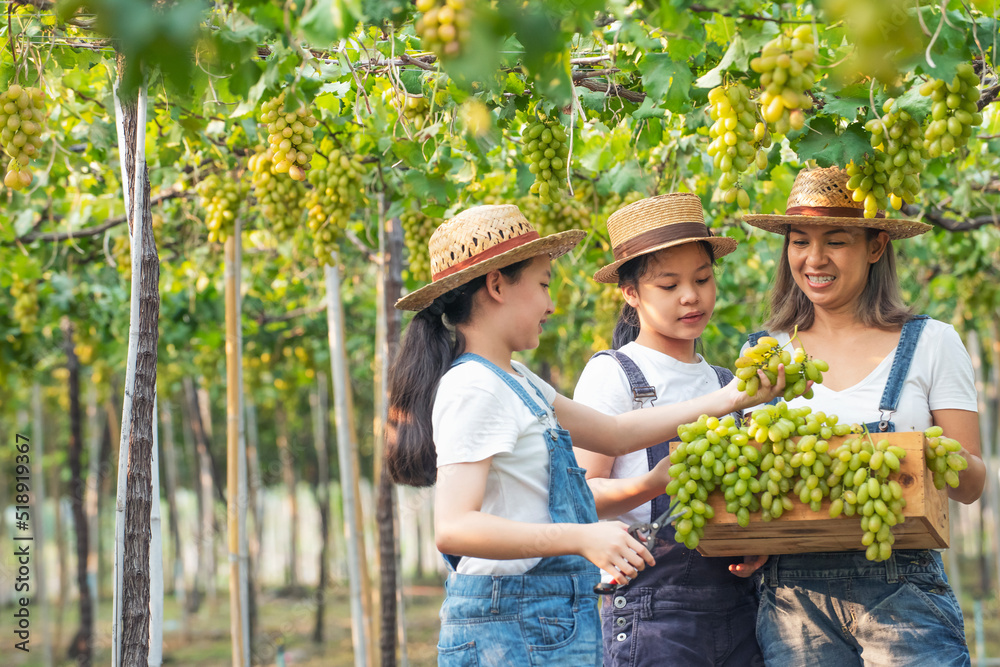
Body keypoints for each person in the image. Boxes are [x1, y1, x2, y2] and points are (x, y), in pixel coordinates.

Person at [385, 204, 786, 666]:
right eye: (543, 285)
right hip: (507, 622)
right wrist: (581, 537)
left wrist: (728, 401)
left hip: (548, 615)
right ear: (497, 285)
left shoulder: (517, 379)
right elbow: (454, 528)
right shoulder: (474, 386)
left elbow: (614, 434)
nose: (551, 304)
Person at [741, 166, 986, 666]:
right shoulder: (763, 354)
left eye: (836, 240)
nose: (814, 259)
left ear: (876, 246)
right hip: (791, 607)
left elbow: (972, 484)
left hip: (905, 595)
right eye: (799, 241)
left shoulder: (933, 343)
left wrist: (925, 453)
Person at [573, 192, 765, 667]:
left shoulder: (726, 382)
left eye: (702, 279)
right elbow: (578, 496)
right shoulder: (614, 374)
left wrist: (758, 543)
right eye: (669, 285)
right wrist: (650, 483)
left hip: (739, 608)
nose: (691, 296)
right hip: (651, 614)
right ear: (630, 293)